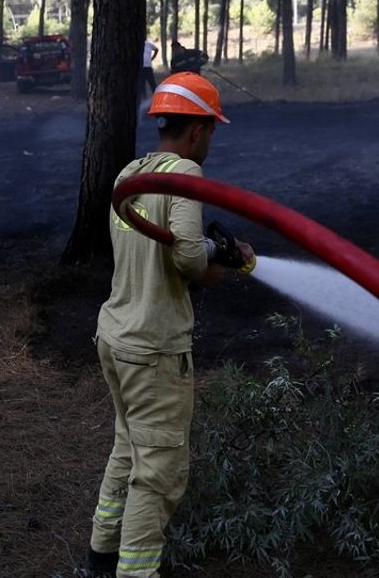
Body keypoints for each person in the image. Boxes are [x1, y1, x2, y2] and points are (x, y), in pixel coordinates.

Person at [87, 71, 254, 578]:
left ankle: (101, 556)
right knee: (158, 472)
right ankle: (136, 572)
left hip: (116, 334)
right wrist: (210, 263)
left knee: (128, 447)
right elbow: (185, 256)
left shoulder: (130, 174)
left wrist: (208, 253)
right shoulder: (184, 173)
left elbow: (152, 245)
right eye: (212, 131)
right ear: (198, 130)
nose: (211, 142)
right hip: (153, 348)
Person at [138, 38, 159, 106]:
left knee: (152, 83)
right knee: (142, 85)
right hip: (141, 68)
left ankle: (157, 98)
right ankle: (144, 99)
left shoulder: (149, 44)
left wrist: (152, 58)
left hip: (148, 67)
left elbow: (156, 49)